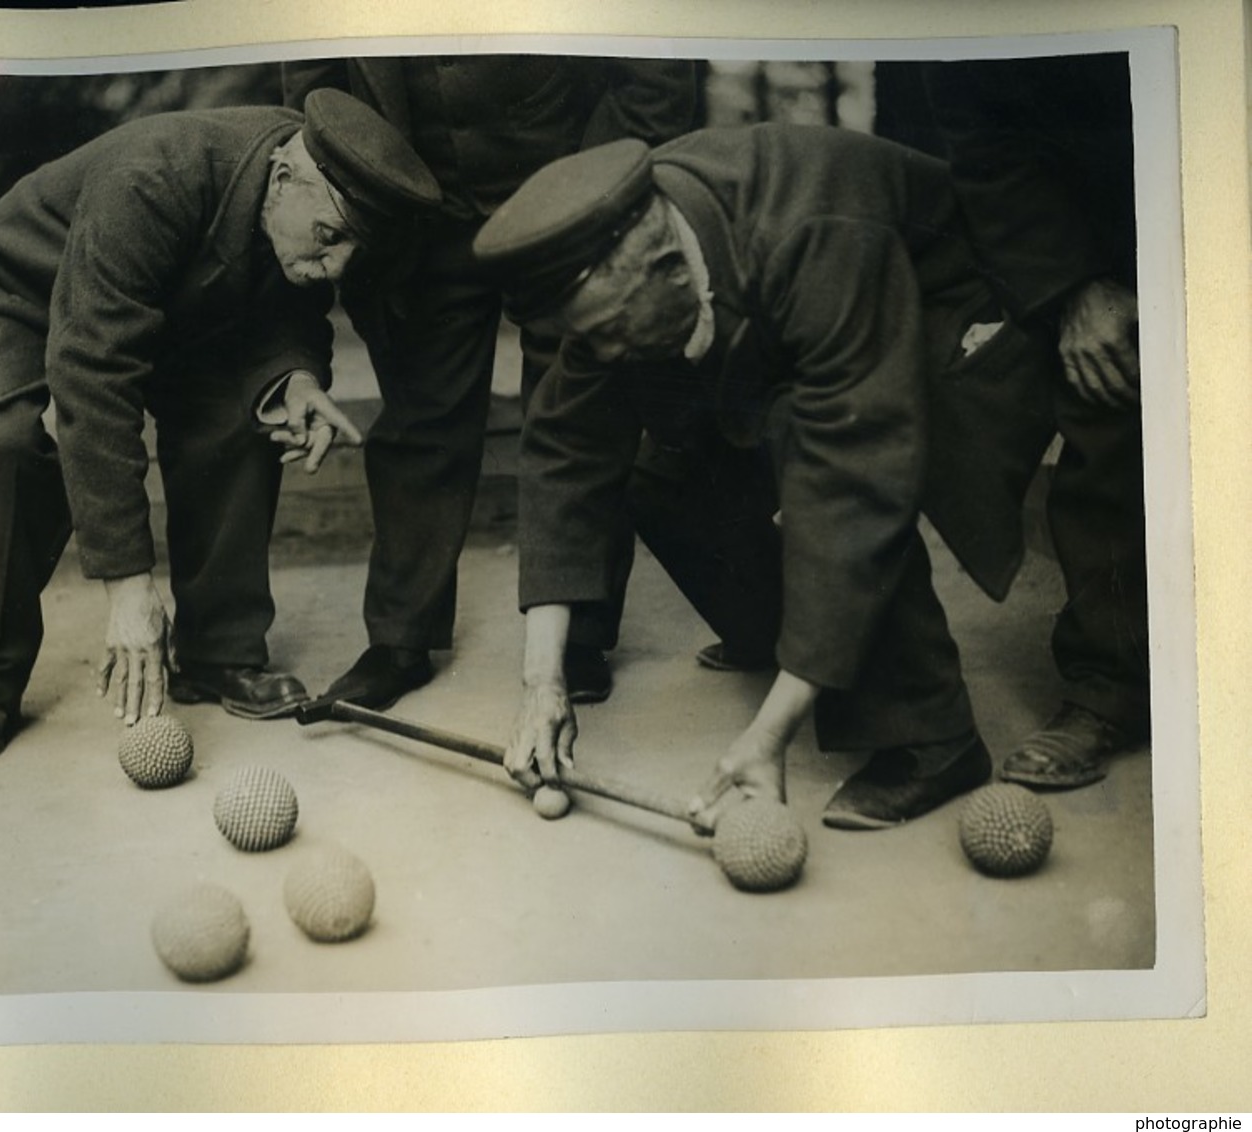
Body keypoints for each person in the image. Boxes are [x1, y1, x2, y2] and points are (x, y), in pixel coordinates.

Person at [475, 128, 1059, 829]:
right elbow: (563, 449)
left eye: (611, 333)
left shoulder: (819, 231)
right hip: (783, 315)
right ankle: (781, 636)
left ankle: (934, 738)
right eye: (591, 338)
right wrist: (543, 683)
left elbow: (853, 486)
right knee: (656, 460)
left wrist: (767, 736)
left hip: (954, 312)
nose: (604, 353)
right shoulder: (617, 260)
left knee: (812, 467)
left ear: (667, 265)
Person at [0, 90, 441, 763]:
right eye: (330, 238)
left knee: (245, 414)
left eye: (353, 250)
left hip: (155, 305)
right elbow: (92, 376)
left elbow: (289, 300)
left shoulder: (306, 173)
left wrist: (294, 378)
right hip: (13, 295)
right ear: (280, 178)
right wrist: (129, 590)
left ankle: (217, 654)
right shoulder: (153, 178)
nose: (336, 264)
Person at [282, 55, 701, 710]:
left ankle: (579, 634)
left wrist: (590, 183)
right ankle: (399, 637)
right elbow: (314, 70)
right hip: (419, 213)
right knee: (420, 417)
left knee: (581, 414)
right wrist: (369, 180)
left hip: (562, 190)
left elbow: (656, 74)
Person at [923, 55, 1150, 790]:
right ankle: (1108, 686)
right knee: (1108, 395)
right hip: (1096, 229)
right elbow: (988, 142)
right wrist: (1075, 286)